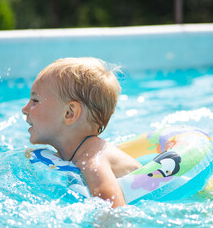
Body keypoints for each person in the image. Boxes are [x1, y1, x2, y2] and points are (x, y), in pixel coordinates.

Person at [22, 57, 141, 208]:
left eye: (35, 100)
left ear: (69, 113)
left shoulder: (92, 160)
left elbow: (113, 210)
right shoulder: (77, 155)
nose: (24, 109)